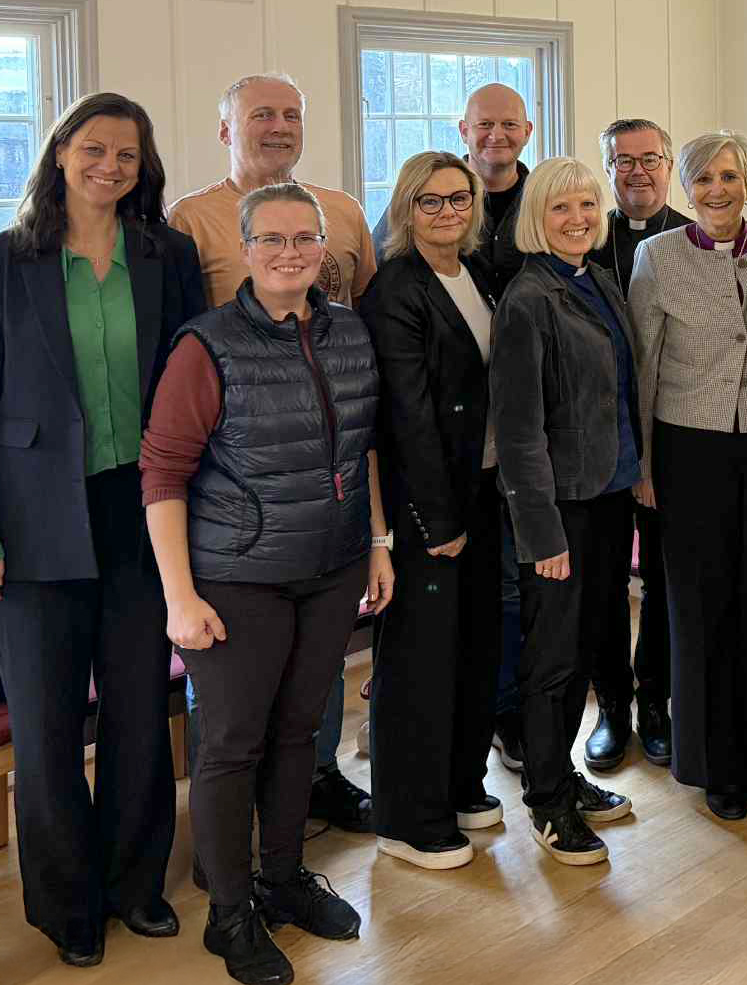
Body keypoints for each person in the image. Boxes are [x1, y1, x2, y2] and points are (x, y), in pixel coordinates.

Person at [140, 182, 392, 985]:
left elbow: (365, 450)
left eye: (304, 239)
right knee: (231, 744)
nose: (290, 253)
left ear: (325, 247)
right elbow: (163, 474)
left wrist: (379, 543)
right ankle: (230, 912)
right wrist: (180, 597)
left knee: (297, 736)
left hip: (332, 566)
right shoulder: (205, 345)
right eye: (272, 239)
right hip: (236, 578)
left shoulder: (351, 330)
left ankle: (283, 880)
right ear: (245, 250)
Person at [0, 92, 206, 968]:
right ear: (59, 155)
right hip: (33, 516)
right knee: (46, 728)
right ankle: (67, 904)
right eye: (94, 149)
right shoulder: (8, 259)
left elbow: (197, 379)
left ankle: (135, 883)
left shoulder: (170, 254)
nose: (110, 166)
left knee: (134, 710)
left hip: (144, 509)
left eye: (127, 154)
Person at [168, 70, 377, 835]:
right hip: (236, 489)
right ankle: (232, 820)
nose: (278, 126)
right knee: (233, 685)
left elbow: (366, 326)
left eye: (292, 114)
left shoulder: (344, 214)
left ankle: (314, 780)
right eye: (261, 115)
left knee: (316, 658)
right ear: (227, 129)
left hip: (330, 478)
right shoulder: (191, 219)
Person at [628, 130, 747, 821]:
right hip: (687, 448)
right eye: (703, 180)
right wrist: (642, 465)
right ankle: (715, 763)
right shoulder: (656, 256)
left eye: (729, 176)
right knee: (699, 608)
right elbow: (642, 367)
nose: (716, 190)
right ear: (686, 189)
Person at [358, 152, 505, 870]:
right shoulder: (395, 290)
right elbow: (407, 415)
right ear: (405, 208)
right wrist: (438, 520)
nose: (448, 212)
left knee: (473, 646)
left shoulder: (475, 273)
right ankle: (408, 816)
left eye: (459, 198)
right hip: (430, 502)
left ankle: (459, 784)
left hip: (482, 487)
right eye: (430, 201)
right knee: (418, 658)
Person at [490, 156, 637, 866]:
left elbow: (621, 395)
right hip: (560, 512)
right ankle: (546, 801)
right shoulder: (528, 298)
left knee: (582, 647)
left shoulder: (597, 278)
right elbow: (518, 430)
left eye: (587, 204)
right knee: (551, 659)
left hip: (607, 496)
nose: (578, 218)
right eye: (560, 208)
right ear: (535, 219)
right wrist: (539, 530)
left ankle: (565, 775)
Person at [582, 117, 690, 771]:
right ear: (609, 170)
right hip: (595, 446)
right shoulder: (586, 239)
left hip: (665, 443)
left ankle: (656, 704)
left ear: (668, 164)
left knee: (660, 578)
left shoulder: (692, 238)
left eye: (650, 158)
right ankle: (612, 710)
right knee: (600, 584)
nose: (638, 171)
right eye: (623, 162)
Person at [372, 83, 532, 298]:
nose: (497, 135)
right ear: (464, 131)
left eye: (510, 124)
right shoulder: (421, 195)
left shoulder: (547, 200)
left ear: (527, 131)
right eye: (485, 124)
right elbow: (381, 265)